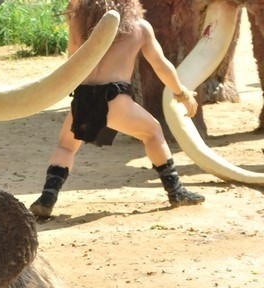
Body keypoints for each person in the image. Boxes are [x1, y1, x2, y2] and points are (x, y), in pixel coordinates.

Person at [29, 0, 205, 219]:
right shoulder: (139, 28)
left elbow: (72, 60)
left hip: (83, 97)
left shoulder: (78, 23)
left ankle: (47, 197)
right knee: (153, 132)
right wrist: (182, 93)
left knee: (66, 146)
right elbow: (161, 66)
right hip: (116, 99)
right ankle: (176, 191)